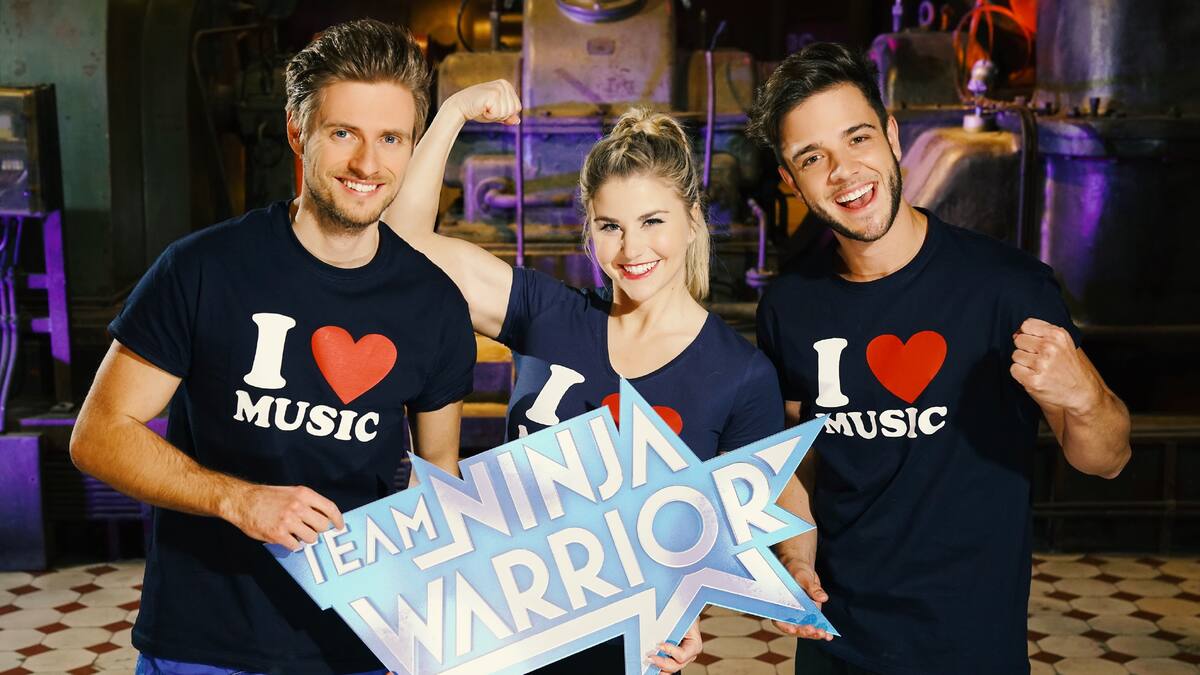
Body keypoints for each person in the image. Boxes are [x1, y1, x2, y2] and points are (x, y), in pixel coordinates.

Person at [69, 19, 477, 675]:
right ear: (296, 130)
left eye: (391, 138)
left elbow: (441, 474)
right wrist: (239, 500)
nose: (367, 164)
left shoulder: (434, 305)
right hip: (204, 643)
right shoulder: (203, 268)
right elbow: (98, 435)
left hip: (362, 643)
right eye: (342, 133)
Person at [746, 43, 1133, 675]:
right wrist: (794, 559)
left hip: (971, 647)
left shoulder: (1009, 288)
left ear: (893, 137)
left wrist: (1085, 395)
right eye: (812, 158)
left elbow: (1107, 459)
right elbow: (799, 463)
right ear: (790, 180)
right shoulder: (789, 306)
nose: (844, 171)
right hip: (835, 643)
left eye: (858, 138)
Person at [383, 83, 788, 673]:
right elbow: (401, 249)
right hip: (501, 639)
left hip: (630, 652)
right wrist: (453, 113)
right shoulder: (547, 315)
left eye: (653, 221)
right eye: (610, 226)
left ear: (693, 221)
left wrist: (690, 613)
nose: (631, 248)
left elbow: (725, 539)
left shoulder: (741, 376)